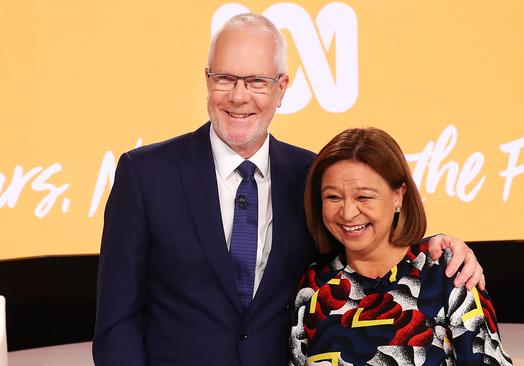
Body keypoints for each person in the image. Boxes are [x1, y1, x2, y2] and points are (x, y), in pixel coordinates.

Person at [92, 13, 484, 366]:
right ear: (206, 80)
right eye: (225, 78)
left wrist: (438, 246)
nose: (239, 96)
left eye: (257, 81)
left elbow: (364, 248)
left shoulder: (311, 175)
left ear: (282, 88)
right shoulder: (144, 174)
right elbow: (117, 318)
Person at [290, 127, 512, 365]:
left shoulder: (447, 273)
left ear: (398, 196)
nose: (347, 212)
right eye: (333, 197)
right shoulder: (313, 287)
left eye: (363, 197)